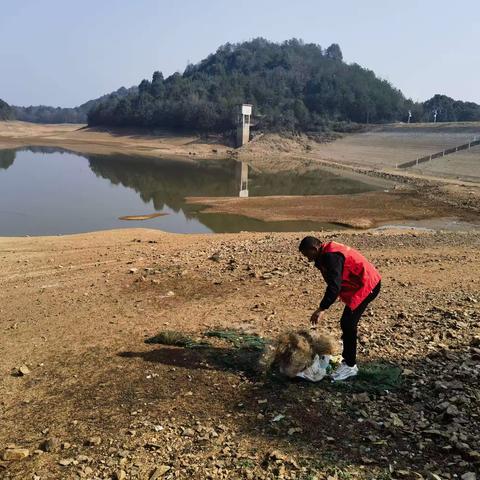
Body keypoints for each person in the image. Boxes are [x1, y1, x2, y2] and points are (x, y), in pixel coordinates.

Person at [298, 236, 381, 381]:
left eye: (307, 254)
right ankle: (347, 355)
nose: (307, 259)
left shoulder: (331, 256)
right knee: (347, 322)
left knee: (348, 323)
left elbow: (334, 286)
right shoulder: (326, 253)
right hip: (360, 283)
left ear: (314, 249)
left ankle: (350, 366)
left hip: (368, 285)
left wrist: (322, 308)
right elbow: (337, 281)